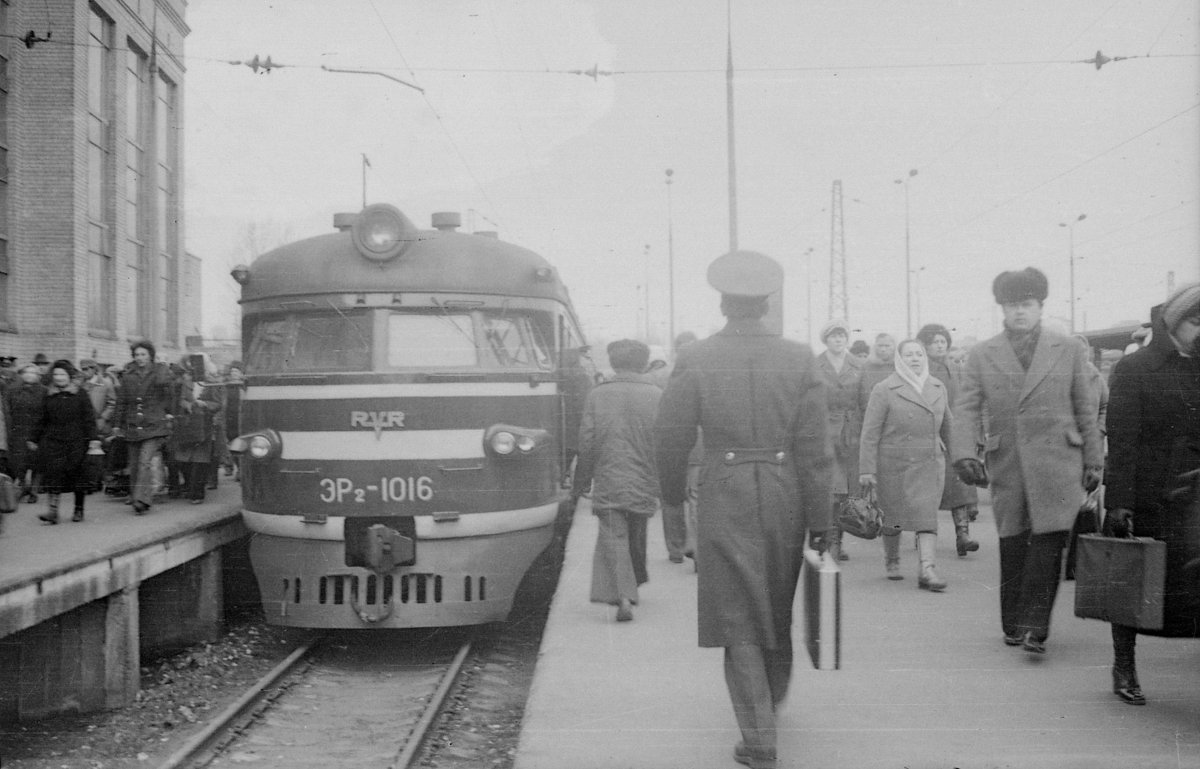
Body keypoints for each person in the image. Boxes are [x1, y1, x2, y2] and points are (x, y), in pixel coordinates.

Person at [655, 250, 833, 769]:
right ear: (766, 304)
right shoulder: (801, 358)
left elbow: (670, 437)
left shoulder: (696, 357)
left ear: (722, 304)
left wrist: (670, 497)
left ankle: (758, 737)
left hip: (724, 492)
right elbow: (817, 449)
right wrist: (822, 522)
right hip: (786, 492)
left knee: (737, 612)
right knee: (775, 600)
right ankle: (770, 701)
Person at [952, 267, 1102, 654]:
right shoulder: (982, 353)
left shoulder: (1068, 348)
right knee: (1014, 540)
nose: (1019, 311)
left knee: (1049, 542)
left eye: (1027, 304)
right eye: (1011, 304)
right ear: (1001, 308)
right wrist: (965, 452)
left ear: (1040, 306)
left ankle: (1036, 626)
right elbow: (967, 408)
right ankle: (1014, 623)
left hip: (1059, 460)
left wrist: (1094, 460)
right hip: (1010, 461)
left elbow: (1085, 408)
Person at [1102, 283, 1200, 705]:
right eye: (1196, 321)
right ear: (1174, 322)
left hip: (1196, 498)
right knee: (1134, 579)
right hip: (1151, 496)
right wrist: (1118, 502)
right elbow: (1122, 441)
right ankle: (1124, 665)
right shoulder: (1134, 368)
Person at [572, 339, 662, 622]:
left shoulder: (598, 395)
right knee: (636, 531)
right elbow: (665, 441)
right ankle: (631, 585)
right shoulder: (657, 395)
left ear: (613, 363)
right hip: (644, 476)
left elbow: (586, 441)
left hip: (610, 475)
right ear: (643, 363)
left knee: (614, 534)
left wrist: (582, 480)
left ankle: (623, 594)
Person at [859, 340, 952, 588]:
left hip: (930, 461)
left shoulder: (937, 386)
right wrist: (867, 469)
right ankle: (892, 559)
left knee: (927, 515)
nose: (915, 359)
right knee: (894, 517)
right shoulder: (885, 388)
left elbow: (949, 427)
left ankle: (927, 569)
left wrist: (962, 458)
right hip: (894, 462)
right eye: (909, 354)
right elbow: (870, 432)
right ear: (900, 359)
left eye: (919, 354)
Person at [917, 323, 981, 556]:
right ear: (925, 345)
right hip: (931, 434)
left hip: (955, 433)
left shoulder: (955, 367)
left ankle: (962, 535)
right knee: (927, 489)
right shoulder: (921, 369)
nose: (941, 345)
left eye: (944, 341)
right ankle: (922, 534)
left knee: (961, 484)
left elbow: (965, 400)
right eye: (936, 342)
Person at [30, 360, 99, 523]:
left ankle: (79, 509)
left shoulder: (80, 394)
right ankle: (53, 512)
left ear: (69, 376)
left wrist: (93, 439)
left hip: (76, 441)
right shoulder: (48, 395)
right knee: (53, 473)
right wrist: (34, 438)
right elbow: (42, 418)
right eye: (56, 374)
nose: (59, 377)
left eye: (62, 374)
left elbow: (89, 418)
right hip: (53, 441)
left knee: (77, 475)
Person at [816, 318, 863, 560]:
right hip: (825, 431)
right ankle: (830, 540)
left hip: (852, 432)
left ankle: (839, 541)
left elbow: (865, 401)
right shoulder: (815, 365)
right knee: (831, 489)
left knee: (847, 491)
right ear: (826, 340)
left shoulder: (858, 365)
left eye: (842, 336)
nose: (838, 340)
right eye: (833, 336)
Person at [112, 341, 176, 515]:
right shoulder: (128, 376)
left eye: (143, 354)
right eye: (137, 355)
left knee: (144, 461)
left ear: (150, 356)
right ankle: (138, 497)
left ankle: (142, 500)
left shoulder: (159, 372)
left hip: (154, 425)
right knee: (133, 464)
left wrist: (165, 412)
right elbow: (121, 402)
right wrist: (117, 424)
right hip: (133, 425)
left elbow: (168, 391)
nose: (140, 358)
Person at [659, 331, 699, 564]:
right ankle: (695, 547)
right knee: (695, 498)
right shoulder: (707, 375)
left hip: (671, 447)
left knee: (672, 497)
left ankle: (675, 548)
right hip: (695, 447)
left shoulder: (663, 376)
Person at [6, 364, 46, 502]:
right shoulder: (13, 391)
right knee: (18, 462)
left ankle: (34, 490)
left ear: (38, 376)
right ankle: (23, 486)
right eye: (26, 372)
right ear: (22, 375)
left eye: (33, 372)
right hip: (19, 430)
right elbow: (8, 411)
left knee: (37, 462)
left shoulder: (44, 391)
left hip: (37, 430)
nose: (29, 375)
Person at [857, 333, 896, 416]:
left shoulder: (899, 367)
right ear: (875, 347)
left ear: (893, 347)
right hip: (872, 413)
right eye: (880, 346)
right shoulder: (867, 367)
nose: (883, 349)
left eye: (887, 346)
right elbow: (864, 395)